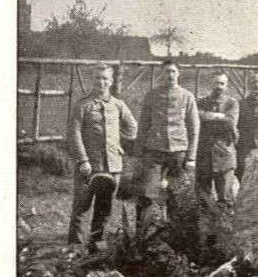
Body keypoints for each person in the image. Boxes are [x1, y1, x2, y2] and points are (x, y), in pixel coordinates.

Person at [66, 63, 137, 251]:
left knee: (104, 208)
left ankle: (96, 247)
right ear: (92, 80)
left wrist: (119, 144)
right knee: (81, 207)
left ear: (111, 82)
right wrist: (83, 160)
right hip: (89, 166)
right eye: (98, 78)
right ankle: (75, 249)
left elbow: (132, 127)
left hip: (112, 166)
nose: (101, 82)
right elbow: (74, 134)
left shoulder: (118, 105)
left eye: (105, 78)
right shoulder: (82, 104)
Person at [136, 58, 200, 220]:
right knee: (149, 193)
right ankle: (145, 235)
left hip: (178, 153)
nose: (170, 75)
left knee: (177, 195)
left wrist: (191, 157)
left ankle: (174, 235)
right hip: (154, 152)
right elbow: (143, 125)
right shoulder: (152, 95)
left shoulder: (187, 96)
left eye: (173, 71)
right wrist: (138, 153)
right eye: (166, 72)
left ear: (178, 74)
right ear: (161, 74)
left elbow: (194, 129)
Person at [196, 71, 240, 205]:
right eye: (216, 83)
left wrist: (208, 116)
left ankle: (224, 224)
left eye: (222, 83)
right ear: (211, 84)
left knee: (225, 198)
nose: (219, 86)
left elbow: (231, 122)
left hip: (225, 156)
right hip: (204, 156)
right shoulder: (201, 102)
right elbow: (196, 116)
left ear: (226, 86)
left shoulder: (232, 103)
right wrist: (220, 116)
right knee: (203, 198)